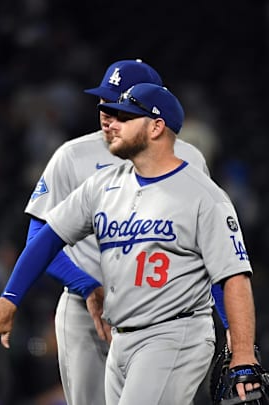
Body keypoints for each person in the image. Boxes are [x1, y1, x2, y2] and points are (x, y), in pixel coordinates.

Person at [0, 83, 260, 404]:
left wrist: (242, 350)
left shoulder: (204, 196)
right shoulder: (103, 186)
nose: (110, 123)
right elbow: (46, 238)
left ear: (156, 127)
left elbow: (232, 276)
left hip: (174, 334)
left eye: (126, 117)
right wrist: (9, 300)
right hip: (120, 338)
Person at [22, 59, 228, 405]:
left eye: (120, 103)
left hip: (161, 313)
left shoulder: (189, 159)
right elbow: (37, 239)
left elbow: (211, 249)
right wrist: (85, 286)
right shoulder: (72, 156)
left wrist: (230, 327)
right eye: (104, 100)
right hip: (84, 311)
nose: (107, 110)